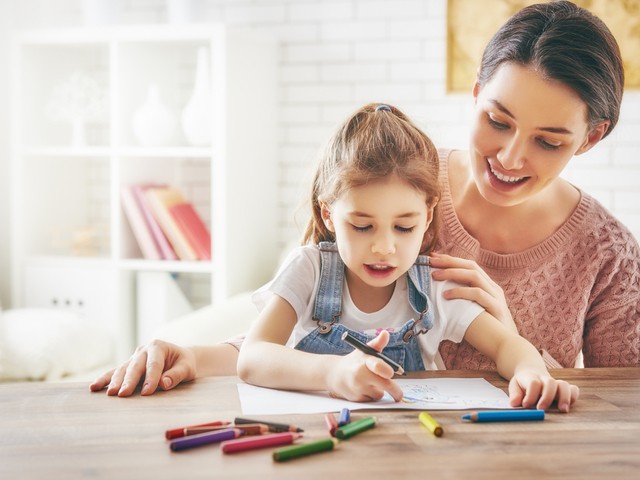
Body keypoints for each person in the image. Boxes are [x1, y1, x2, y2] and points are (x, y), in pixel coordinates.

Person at [90, 0, 638, 398]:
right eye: (497, 120)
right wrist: (193, 355)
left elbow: (623, 405)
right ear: (475, 95)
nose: (512, 157)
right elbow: (301, 328)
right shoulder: (398, 180)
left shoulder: (608, 254)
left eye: (549, 141)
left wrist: (522, 348)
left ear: (590, 137)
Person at [236, 102, 578, 411]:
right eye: (361, 226)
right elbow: (253, 356)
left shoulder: (434, 288)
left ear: (427, 217)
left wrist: (531, 372)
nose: (384, 247)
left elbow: (507, 346)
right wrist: (334, 372)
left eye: (403, 228)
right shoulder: (308, 270)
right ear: (328, 215)